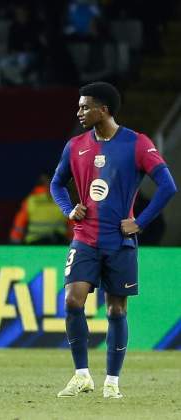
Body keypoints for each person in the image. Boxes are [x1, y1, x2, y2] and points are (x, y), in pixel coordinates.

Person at [50, 81, 177, 398]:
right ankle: (81, 375)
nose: (79, 112)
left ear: (103, 109)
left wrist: (140, 222)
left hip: (118, 242)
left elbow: (167, 186)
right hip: (85, 238)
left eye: (84, 106)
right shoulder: (75, 145)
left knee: (116, 311)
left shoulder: (137, 143)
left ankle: (112, 383)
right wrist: (69, 209)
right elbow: (56, 183)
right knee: (72, 300)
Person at [10, 173, 70, 245]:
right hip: (37, 243)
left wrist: (15, 242)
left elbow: (72, 224)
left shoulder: (31, 200)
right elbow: (19, 224)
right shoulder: (32, 200)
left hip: (55, 242)